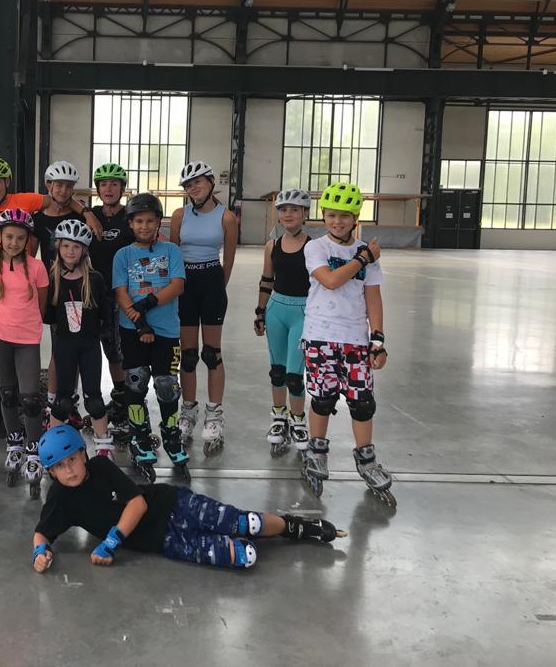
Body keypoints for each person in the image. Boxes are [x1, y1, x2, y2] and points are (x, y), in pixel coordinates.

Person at [30, 425, 344, 573]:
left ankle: (293, 527)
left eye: (72, 460)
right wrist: (40, 553)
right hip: (159, 541)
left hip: (170, 505)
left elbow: (137, 503)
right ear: (51, 472)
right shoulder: (60, 498)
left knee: (244, 523)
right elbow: (42, 531)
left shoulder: (101, 467)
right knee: (244, 556)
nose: (69, 470)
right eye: (59, 466)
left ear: (83, 455)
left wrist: (112, 541)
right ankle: (240, 538)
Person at [0, 157, 103, 432]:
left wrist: (86, 212)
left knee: (59, 344)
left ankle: (53, 404)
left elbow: (58, 198)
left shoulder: (25, 200)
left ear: (7, 182)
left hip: (29, 285)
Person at [300, 182, 394, 507]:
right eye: (331, 215)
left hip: (355, 339)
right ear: (323, 216)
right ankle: (317, 452)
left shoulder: (367, 251)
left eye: (344, 216)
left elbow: (373, 296)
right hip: (319, 336)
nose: (337, 221)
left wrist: (377, 338)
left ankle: (366, 460)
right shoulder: (316, 248)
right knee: (323, 398)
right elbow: (330, 280)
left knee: (362, 402)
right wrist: (363, 258)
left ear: (355, 218)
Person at [112, 192, 189, 484]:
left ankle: (171, 435)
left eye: (150, 221)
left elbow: (178, 286)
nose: (144, 226)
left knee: (167, 386)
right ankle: (139, 435)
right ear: (131, 224)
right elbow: (121, 292)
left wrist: (148, 303)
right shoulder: (123, 255)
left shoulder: (171, 251)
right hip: (132, 329)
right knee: (135, 383)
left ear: (159, 222)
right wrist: (139, 322)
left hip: (167, 330)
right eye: (139, 221)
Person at [170, 161, 238, 458]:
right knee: (187, 355)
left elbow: (229, 261)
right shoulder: (179, 215)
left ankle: (214, 413)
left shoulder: (227, 217)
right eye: (188, 185)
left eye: (197, 182)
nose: (193, 188)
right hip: (185, 283)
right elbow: (172, 253)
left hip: (211, 281)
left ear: (211, 182)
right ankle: (188, 410)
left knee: (212, 354)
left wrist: (217, 289)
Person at [0, 208, 50, 499]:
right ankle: (14, 442)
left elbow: (42, 305)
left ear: (27, 240)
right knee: (7, 393)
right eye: (9, 237)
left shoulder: (38, 268)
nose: (14, 242)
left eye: (20, 238)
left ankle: (33, 448)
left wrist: (28, 326)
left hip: (27, 339)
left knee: (30, 398)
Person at [43, 220, 112, 458]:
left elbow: (105, 313)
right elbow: (48, 316)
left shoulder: (95, 279)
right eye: (65, 246)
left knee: (94, 399)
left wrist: (106, 334)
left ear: (84, 250)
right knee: (62, 400)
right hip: (65, 345)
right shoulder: (52, 278)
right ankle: (54, 444)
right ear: (58, 248)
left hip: (90, 345)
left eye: (76, 247)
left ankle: (103, 446)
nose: (70, 251)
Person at [255, 189, 312, 457]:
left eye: (294, 210)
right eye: (283, 209)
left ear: (305, 214)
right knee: (277, 371)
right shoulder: (272, 246)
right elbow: (267, 280)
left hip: (303, 312)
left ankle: (298, 420)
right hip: (276, 309)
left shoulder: (313, 247)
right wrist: (260, 311)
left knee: (294, 375)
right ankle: (279, 417)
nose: (288, 214)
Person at [30, 161, 86, 424]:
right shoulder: (39, 218)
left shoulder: (79, 216)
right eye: (59, 185)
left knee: (74, 345)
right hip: (52, 289)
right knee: (57, 347)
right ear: (48, 186)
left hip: (76, 288)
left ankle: (70, 399)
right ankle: (53, 402)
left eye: (69, 186)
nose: (63, 190)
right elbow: (29, 255)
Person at [87, 163, 135, 445]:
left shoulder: (130, 216)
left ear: (122, 188)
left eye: (114, 184)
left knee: (119, 350)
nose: (109, 189)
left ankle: (124, 398)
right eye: (103, 184)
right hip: (94, 292)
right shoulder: (91, 214)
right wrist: (85, 213)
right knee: (101, 347)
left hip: (122, 293)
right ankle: (115, 397)